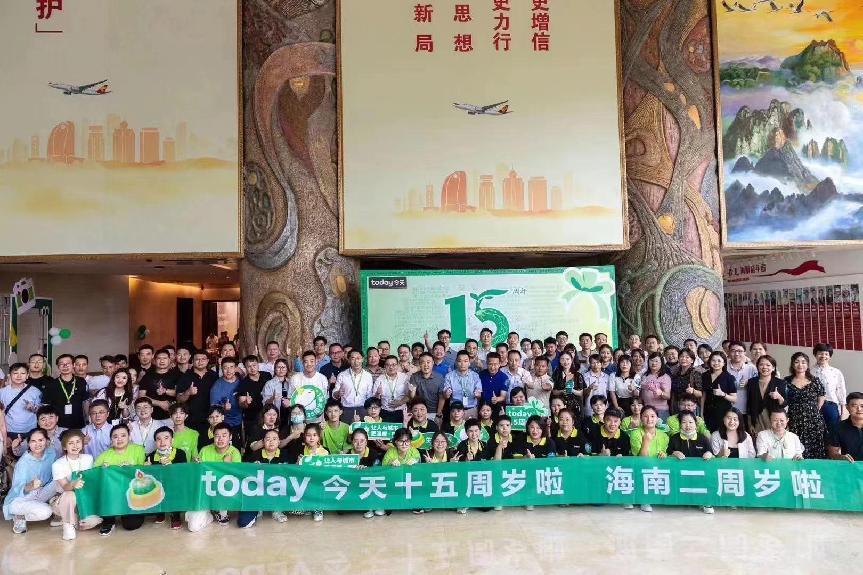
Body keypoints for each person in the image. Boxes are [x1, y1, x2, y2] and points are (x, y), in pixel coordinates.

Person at [188, 423, 242, 531]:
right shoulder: (205, 450)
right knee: (193, 527)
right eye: (217, 435)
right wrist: (195, 465)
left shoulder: (235, 452)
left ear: (230, 437)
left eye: (224, 435)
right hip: (205, 494)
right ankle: (209, 515)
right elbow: (197, 474)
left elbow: (235, 480)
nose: (220, 439)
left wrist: (227, 466)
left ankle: (221, 511)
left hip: (223, 493)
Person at [95, 424, 147, 535]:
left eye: (123, 435)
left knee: (131, 525)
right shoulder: (104, 455)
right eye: (115, 436)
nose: (119, 439)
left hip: (133, 492)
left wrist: (131, 468)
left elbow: (144, 471)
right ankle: (109, 521)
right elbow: (94, 475)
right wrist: (102, 471)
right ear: (111, 439)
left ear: (129, 437)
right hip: (112, 494)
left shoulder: (138, 450)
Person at [3, 428, 57, 534]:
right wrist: (30, 485)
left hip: (41, 492)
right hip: (21, 499)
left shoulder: (51, 453)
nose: (37, 444)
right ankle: (19, 516)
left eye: (40, 440)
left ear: (47, 441)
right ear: (28, 443)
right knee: (46, 512)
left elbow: (55, 477)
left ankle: (58, 511)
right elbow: (17, 489)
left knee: (62, 479)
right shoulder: (23, 463)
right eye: (33, 441)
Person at [52, 429, 100, 540]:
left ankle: (76, 517)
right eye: (71, 443)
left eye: (78, 442)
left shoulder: (88, 458)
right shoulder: (58, 464)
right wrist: (73, 484)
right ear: (65, 447)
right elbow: (65, 487)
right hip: (63, 498)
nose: (75, 446)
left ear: (82, 443)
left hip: (84, 498)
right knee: (70, 494)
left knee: (89, 525)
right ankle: (68, 524)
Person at [667, 410, 715, 514]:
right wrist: (674, 453)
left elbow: (711, 454)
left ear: (695, 423)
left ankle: (706, 502)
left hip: (700, 474)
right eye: (684, 422)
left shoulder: (703, 438)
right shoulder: (674, 438)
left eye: (690, 422)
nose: (687, 425)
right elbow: (667, 454)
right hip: (680, 473)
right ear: (680, 424)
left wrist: (709, 454)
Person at [784, 352, 827, 459]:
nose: (800, 365)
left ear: (807, 365)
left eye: (803, 362)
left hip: (813, 420)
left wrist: (815, 410)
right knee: (796, 448)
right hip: (794, 419)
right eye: (797, 362)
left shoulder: (815, 380)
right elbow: (784, 400)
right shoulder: (786, 381)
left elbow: (821, 396)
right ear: (792, 364)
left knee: (815, 449)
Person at [145, 426, 187, 529]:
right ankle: (160, 512)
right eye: (158, 439)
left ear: (172, 440)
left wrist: (170, 465)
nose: (162, 442)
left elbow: (183, 473)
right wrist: (147, 468)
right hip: (158, 485)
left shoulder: (180, 453)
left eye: (166, 438)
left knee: (175, 487)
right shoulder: (150, 456)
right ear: (155, 442)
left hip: (175, 485)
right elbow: (149, 477)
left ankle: (175, 516)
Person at [629, 405, 668, 511]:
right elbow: (642, 459)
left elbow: (665, 454)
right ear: (641, 418)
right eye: (645, 416)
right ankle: (644, 499)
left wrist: (664, 455)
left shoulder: (664, 436)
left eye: (652, 416)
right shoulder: (635, 433)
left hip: (658, 468)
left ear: (657, 418)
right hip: (641, 468)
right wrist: (646, 441)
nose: (649, 419)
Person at [176, 349, 218, 437]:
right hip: (191, 420)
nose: (200, 362)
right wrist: (188, 392)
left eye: (203, 359)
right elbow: (179, 399)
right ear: (192, 361)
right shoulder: (185, 376)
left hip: (210, 419)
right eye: (197, 359)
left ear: (207, 361)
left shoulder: (214, 376)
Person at [42, 354, 88, 429]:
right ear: (58, 367)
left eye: (68, 363)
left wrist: (88, 421)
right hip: (58, 426)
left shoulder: (81, 382)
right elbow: (46, 406)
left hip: (79, 424)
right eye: (61, 364)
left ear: (73, 365)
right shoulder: (51, 384)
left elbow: (85, 403)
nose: (65, 366)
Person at [811, 343, 847, 438]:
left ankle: (832, 448)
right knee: (815, 432)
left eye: (826, 354)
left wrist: (843, 411)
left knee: (833, 432)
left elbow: (841, 391)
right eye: (820, 353)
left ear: (830, 356)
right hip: (813, 405)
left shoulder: (836, 372)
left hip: (831, 405)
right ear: (815, 354)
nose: (823, 356)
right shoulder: (809, 372)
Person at [746, 355, 787, 434]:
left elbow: (784, 403)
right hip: (757, 420)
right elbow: (749, 405)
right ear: (757, 367)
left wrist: (779, 397)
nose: (764, 367)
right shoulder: (751, 382)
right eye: (761, 364)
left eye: (768, 365)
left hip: (774, 420)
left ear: (773, 368)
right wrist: (750, 423)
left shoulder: (780, 383)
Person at [0, 363, 42, 438]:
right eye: (15, 373)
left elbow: (41, 411)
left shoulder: (35, 391)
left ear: (27, 376)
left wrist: (33, 408)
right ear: (10, 375)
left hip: (30, 431)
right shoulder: (2, 392)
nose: (19, 376)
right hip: (8, 431)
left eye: (22, 373)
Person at [288, 352, 330, 423]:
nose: (309, 364)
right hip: (299, 421)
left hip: (318, 420)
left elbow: (324, 399)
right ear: (302, 363)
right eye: (306, 362)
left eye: (312, 361)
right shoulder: (295, 378)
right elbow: (290, 398)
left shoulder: (322, 378)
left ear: (316, 362)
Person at [138, 348, 179, 420]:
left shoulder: (177, 375)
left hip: (172, 416)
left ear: (169, 360)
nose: (162, 361)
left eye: (165, 358)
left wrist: (165, 391)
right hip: (150, 416)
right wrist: (160, 403)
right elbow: (141, 396)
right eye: (159, 358)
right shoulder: (147, 376)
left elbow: (180, 394)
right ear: (154, 360)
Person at [702, 351, 737, 432]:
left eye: (719, 361)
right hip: (707, 412)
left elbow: (734, 399)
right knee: (707, 434)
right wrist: (701, 413)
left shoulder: (729, 378)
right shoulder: (705, 375)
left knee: (721, 434)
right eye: (713, 360)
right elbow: (704, 395)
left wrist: (723, 394)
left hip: (723, 413)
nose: (716, 363)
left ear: (724, 363)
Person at [210, 357, 243, 441]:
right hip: (225, 423)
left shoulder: (241, 380)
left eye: (231, 367)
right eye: (225, 368)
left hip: (241, 421)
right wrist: (223, 408)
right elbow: (213, 408)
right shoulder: (217, 386)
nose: (228, 371)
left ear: (235, 368)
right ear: (221, 369)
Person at [442, 351, 482, 419]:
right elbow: (445, 396)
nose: (462, 364)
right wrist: (447, 394)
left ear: (469, 363)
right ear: (456, 362)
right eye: (460, 361)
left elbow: (479, 395)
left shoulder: (475, 376)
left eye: (465, 361)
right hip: (455, 410)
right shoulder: (449, 376)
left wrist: (478, 394)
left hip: (471, 409)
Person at [237, 355, 271, 432]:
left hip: (269, 415)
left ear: (258, 365)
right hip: (253, 418)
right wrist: (246, 402)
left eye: (254, 365)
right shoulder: (243, 384)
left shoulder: (267, 375)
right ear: (245, 368)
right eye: (249, 366)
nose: (252, 368)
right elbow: (241, 403)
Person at [725, 341, 757, 422]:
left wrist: (749, 382)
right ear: (728, 352)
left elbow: (758, 385)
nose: (736, 354)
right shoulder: (723, 367)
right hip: (726, 410)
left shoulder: (751, 368)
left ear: (745, 353)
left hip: (745, 410)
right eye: (733, 351)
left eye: (739, 351)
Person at [409, 352, 445, 422]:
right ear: (419, 364)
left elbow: (441, 397)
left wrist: (438, 414)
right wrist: (411, 392)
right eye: (423, 362)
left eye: (428, 362)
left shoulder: (439, 377)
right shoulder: (414, 376)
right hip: (419, 412)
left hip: (434, 412)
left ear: (433, 363)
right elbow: (412, 396)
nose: (426, 365)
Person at [827, 392, 863, 462]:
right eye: (854, 406)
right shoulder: (838, 427)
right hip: (850, 465)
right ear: (847, 407)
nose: (859, 409)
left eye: (862, 406)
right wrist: (841, 457)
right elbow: (832, 453)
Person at [640, 352, 671, 419]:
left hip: (661, 411)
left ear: (661, 363)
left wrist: (661, 393)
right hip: (646, 410)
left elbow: (668, 396)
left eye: (656, 361)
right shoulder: (644, 375)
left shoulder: (665, 377)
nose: (654, 363)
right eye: (651, 360)